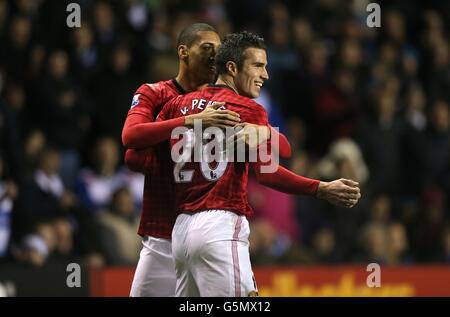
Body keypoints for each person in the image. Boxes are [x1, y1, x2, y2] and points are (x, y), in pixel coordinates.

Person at [157, 31, 361, 297]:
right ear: (231, 68)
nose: (265, 75)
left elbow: (136, 155)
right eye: (258, 65)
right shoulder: (248, 109)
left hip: (181, 231)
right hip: (220, 225)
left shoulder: (177, 105)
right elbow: (269, 171)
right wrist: (318, 187)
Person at [122, 23, 292, 297]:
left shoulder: (226, 103)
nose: (215, 54)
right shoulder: (156, 94)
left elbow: (273, 159)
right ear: (183, 52)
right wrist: (190, 124)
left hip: (206, 227)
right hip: (163, 231)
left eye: (219, 48)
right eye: (206, 48)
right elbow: (131, 143)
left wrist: (265, 132)